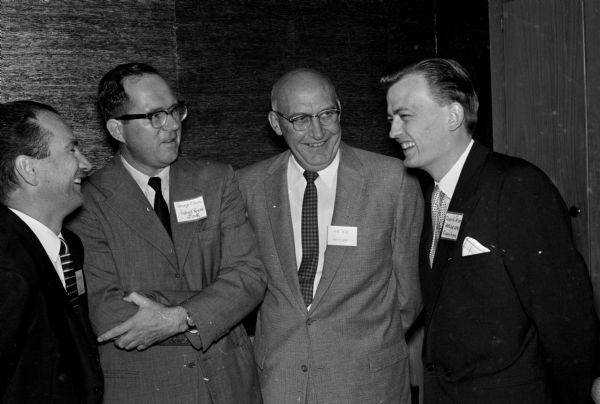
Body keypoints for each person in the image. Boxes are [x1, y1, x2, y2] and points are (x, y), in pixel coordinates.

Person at [381, 57, 598, 404]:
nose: (393, 131)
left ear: (452, 116)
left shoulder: (515, 186)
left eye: (405, 116)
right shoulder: (433, 197)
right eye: (391, 119)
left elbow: (565, 318)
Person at [67, 63, 265, 403]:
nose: (172, 125)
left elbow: (249, 275)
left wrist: (179, 318)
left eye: (174, 110)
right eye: (155, 116)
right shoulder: (86, 201)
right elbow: (107, 312)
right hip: (146, 388)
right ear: (117, 129)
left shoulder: (216, 181)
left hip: (228, 384)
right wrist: (211, 305)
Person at [236, 68, 423, 404]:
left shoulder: (393, 181)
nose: (318, 131)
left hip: (367, 381)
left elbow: (409, 294)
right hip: (280, 380)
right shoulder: (247, 186)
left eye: (327, 114)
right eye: (301, 119)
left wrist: (362, 344)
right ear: (276, 124)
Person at [0, 101, 103, 403]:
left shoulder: (70, 246)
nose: (86, 164)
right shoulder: (6, 268)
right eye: (71, 150)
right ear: (28, 169)